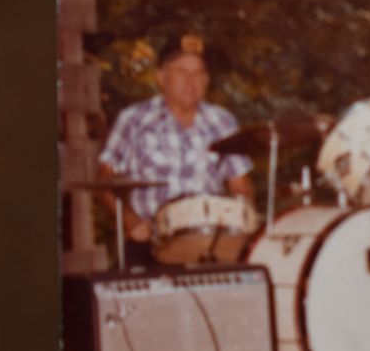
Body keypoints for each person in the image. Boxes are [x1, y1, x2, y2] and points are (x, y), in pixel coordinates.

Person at [96, 31, 254, 268]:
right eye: (181, 71)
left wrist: (241, 217)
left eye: (199, 73)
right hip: (149, 242)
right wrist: (131, 222)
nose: (191, 81)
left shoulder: (222, 122)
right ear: (161, 78)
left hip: (209, 241)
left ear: (207, 80)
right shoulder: (133, 119)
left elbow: (240, 185)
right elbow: (103, 182)